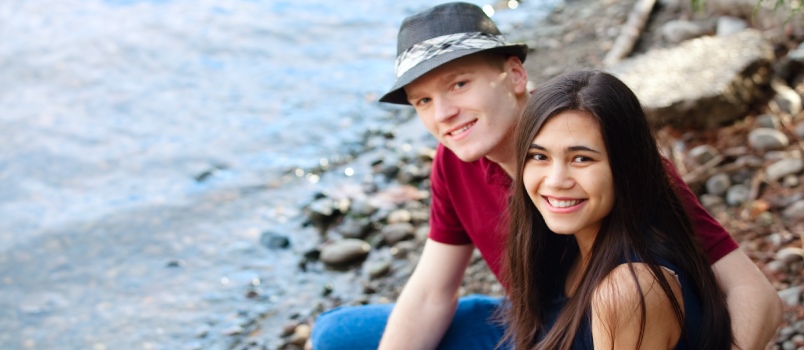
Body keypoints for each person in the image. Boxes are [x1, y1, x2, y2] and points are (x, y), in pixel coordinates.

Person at [311, 2, 782, 349]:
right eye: (424, 101)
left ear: (515, 76)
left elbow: (751, 288)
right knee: (334, 335)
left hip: (617, 326)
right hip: (532, 324)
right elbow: (433, 290)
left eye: (459, 84)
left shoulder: (616, 159)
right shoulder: (454, 162)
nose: (445, 114)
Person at [502, 70, 733, 349]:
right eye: (539, 156)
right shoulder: (565, 250)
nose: (555, 181)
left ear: (626, 167)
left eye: (581, 158)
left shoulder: (629, 289)